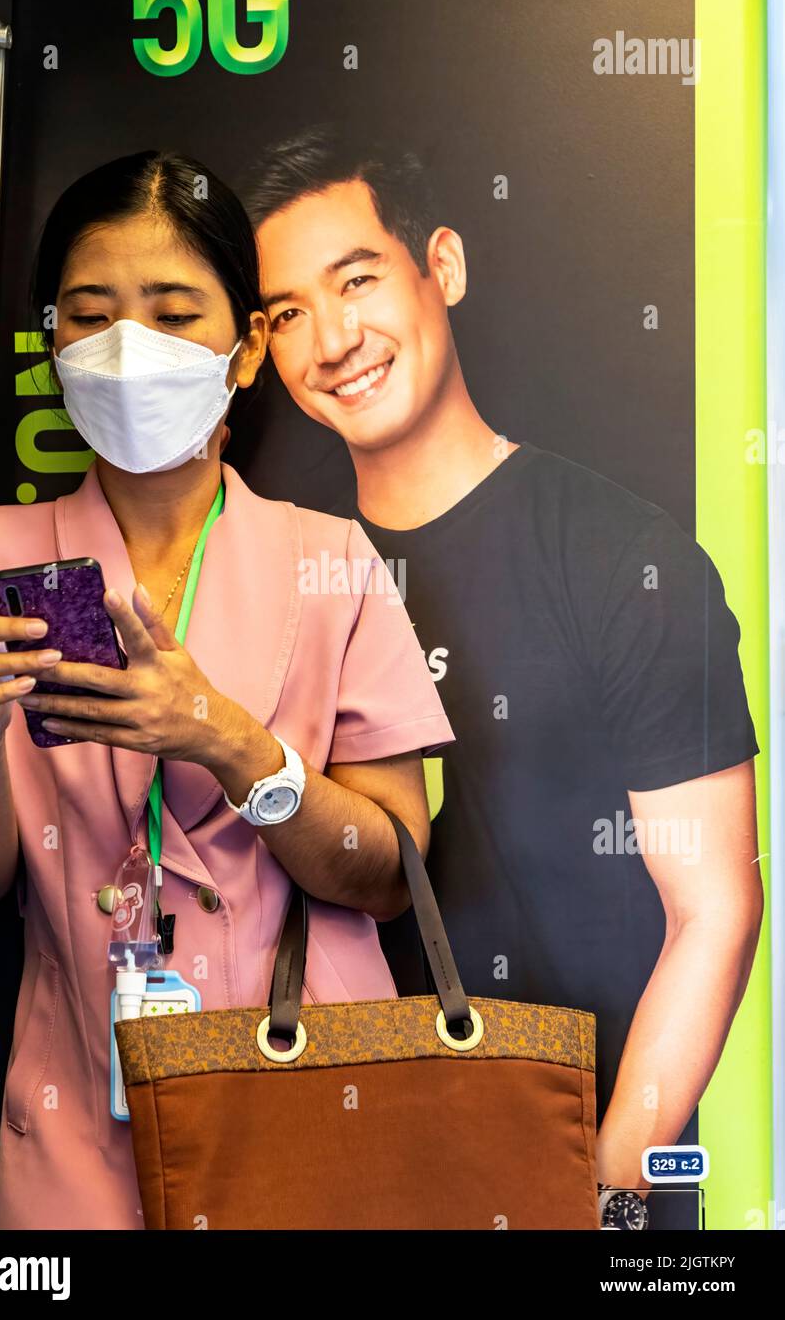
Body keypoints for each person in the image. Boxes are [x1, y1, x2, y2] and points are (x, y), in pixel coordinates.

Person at [0, 150, 455, 1230]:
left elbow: (392, 874)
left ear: (247, 346)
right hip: (78, 1125)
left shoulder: (329, 558)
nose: (129, 350)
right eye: (91, 313)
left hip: (308, 1097)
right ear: (54, 342)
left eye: (171, 313)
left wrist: (226, 740)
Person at [245, 127, 764, 1230]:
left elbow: (713, 909)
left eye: (357, 281)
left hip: (587, 1178)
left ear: (443, 267)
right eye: (286, 313)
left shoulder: (620, 554)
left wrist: (603, 1189)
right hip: (358, 1175)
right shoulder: (289, 573)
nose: (332, 339)